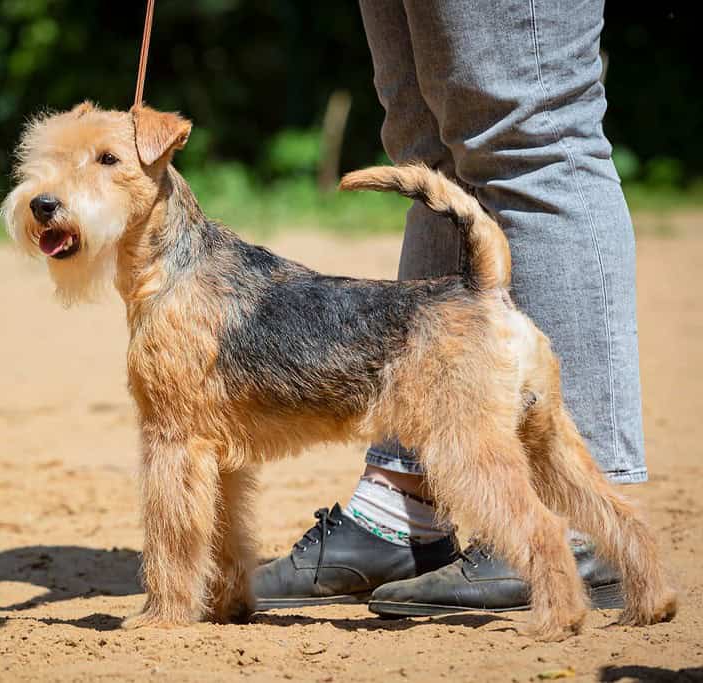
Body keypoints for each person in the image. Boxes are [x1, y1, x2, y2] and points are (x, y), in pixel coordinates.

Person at [254, 0, 643, 616]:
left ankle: (569, 535)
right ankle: (402, 511)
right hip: (473, 317)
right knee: (427, 146)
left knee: (526, 131)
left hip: (486, 335)